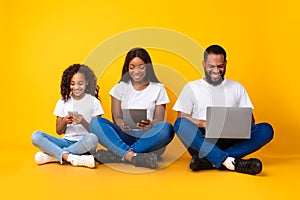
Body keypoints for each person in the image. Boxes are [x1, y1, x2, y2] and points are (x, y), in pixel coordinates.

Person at [173, 45, 274, 175]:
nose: (216, 70)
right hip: (203, 140)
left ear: (225, 64)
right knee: (180, 124)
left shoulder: (237, 87)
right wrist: (204, 123)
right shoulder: (191, 87)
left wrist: (231, 123)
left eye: (220, 66)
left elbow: (251, 121)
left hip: (231, 138)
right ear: (204, 64)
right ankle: (230, 162)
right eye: (211, 66)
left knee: (266, 129)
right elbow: (181, 117)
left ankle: (209, 161)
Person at [90, 47, 174, 169]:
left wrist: (150, 124)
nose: (137, 71)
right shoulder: (120, 88)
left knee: (167, 129)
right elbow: (117, 118)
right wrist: (120, 124)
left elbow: (159, 120)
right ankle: (133, 156)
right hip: (125, 136)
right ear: (127, 68)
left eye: (141, 66)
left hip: (148, 139)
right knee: (95, 123)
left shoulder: (158, 88)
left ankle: (119, 154)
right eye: (132, 67)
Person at [31, 64, 104, 168]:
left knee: (92, 138)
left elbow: (98, 132)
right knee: (36, 136)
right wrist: (65, 121)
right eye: (72, 84)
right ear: (68, 84)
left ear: (87, 83)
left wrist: (83, 122)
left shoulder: (94, 102)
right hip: (65, 142)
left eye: (80, 83)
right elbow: (59, 131)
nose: (76, 87)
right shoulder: (62, 102)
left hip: (84, 143)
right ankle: (71, 157)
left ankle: (55, 156)